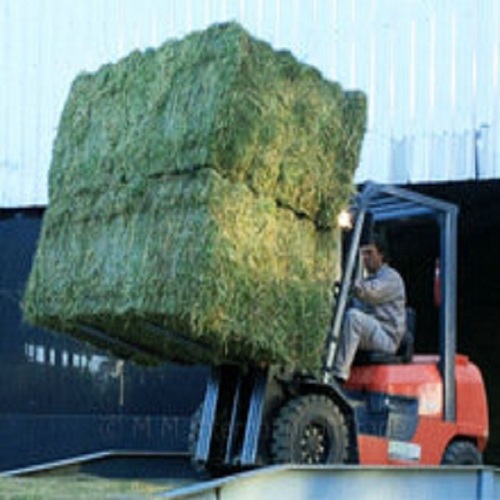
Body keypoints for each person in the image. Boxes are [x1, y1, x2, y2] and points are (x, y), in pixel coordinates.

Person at [332, 235, 406, 383]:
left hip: (387, 337)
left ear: (381, 255)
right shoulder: (369, 279)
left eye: (369, 253)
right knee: (338, 319)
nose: (365, 258)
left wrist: (346, 283)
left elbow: (370, 293)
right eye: (363, 253)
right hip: (374, 331)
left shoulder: (391, 277)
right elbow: (356, 300)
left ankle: (338, 375)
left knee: (354, 318)